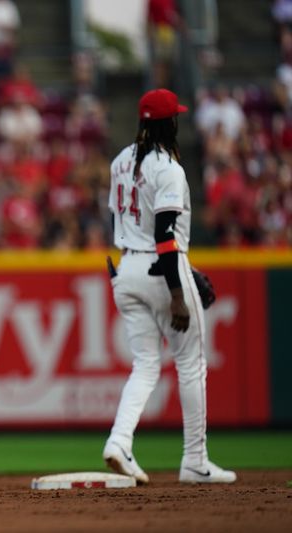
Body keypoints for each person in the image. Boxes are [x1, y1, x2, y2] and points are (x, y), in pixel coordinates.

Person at [103, 89, 236, 484]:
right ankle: (195, 460)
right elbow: (164, 234)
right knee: (190, 364)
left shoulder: (119, 161)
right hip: (162, 270)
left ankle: (119, 441)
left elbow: (122, 226)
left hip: (126, 269)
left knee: (145, 366)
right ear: (169, 123)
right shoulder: (170, 169)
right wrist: (179, 292)